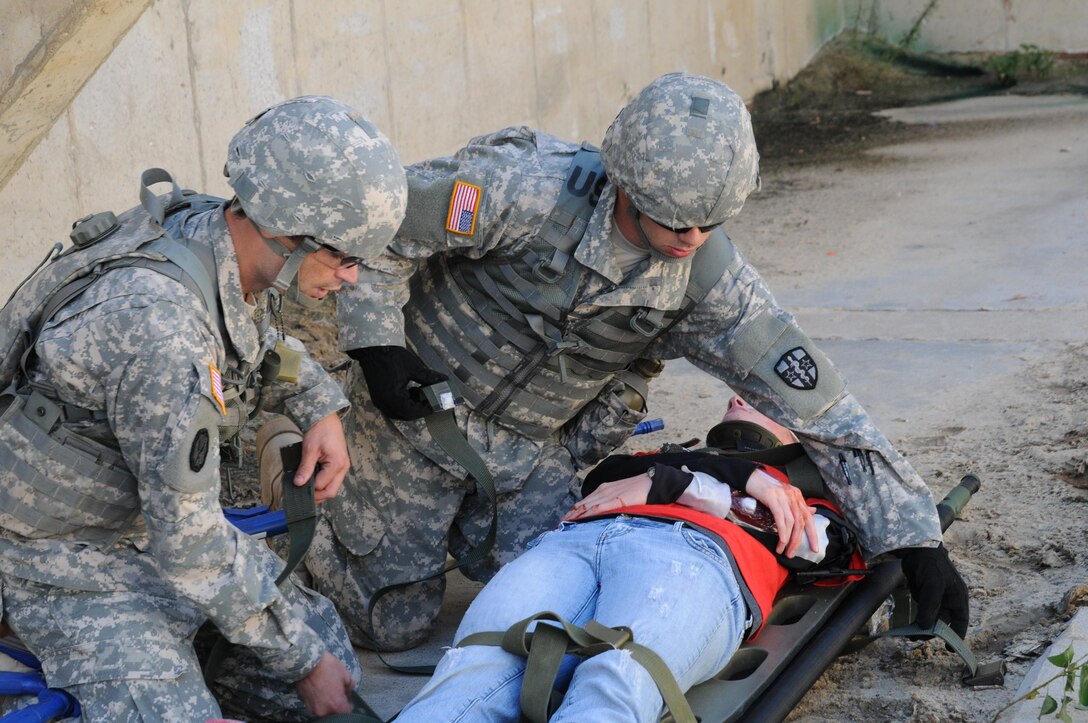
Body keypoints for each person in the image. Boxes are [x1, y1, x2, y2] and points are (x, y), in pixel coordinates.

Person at [311, 72, 968, 652]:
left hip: (528, 455)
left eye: (709, 223)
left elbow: (823, 408)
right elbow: (380, 232)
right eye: (674, 218)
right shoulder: (528, 189)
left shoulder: (708, 281)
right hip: (413, 411)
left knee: (565, 606)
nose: (690, 237)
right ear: (626, 181)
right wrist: (378, 347)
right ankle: (296, 461)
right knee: (387, 624)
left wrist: (913, 538)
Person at [0, 95, 407, 722]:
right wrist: (298, 657)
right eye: (345, 258)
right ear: (285, 229)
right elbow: (189, 545)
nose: (352, 279)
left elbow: (257, 341)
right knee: (274, 680)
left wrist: (318, 405)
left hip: (145, 523)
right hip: (60, 555)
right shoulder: (160, 328)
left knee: (334, 679)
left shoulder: (209, 232)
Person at [392, 397, 859, 722]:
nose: (738, 397)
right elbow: (605, 476)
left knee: (615, 682)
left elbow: (815, 544)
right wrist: (706, 474)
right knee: (477, 668)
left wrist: (678, 485)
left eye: (758, 398)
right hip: (573, 544)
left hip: (694, 556)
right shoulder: (674, 456)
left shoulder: (803, 486)